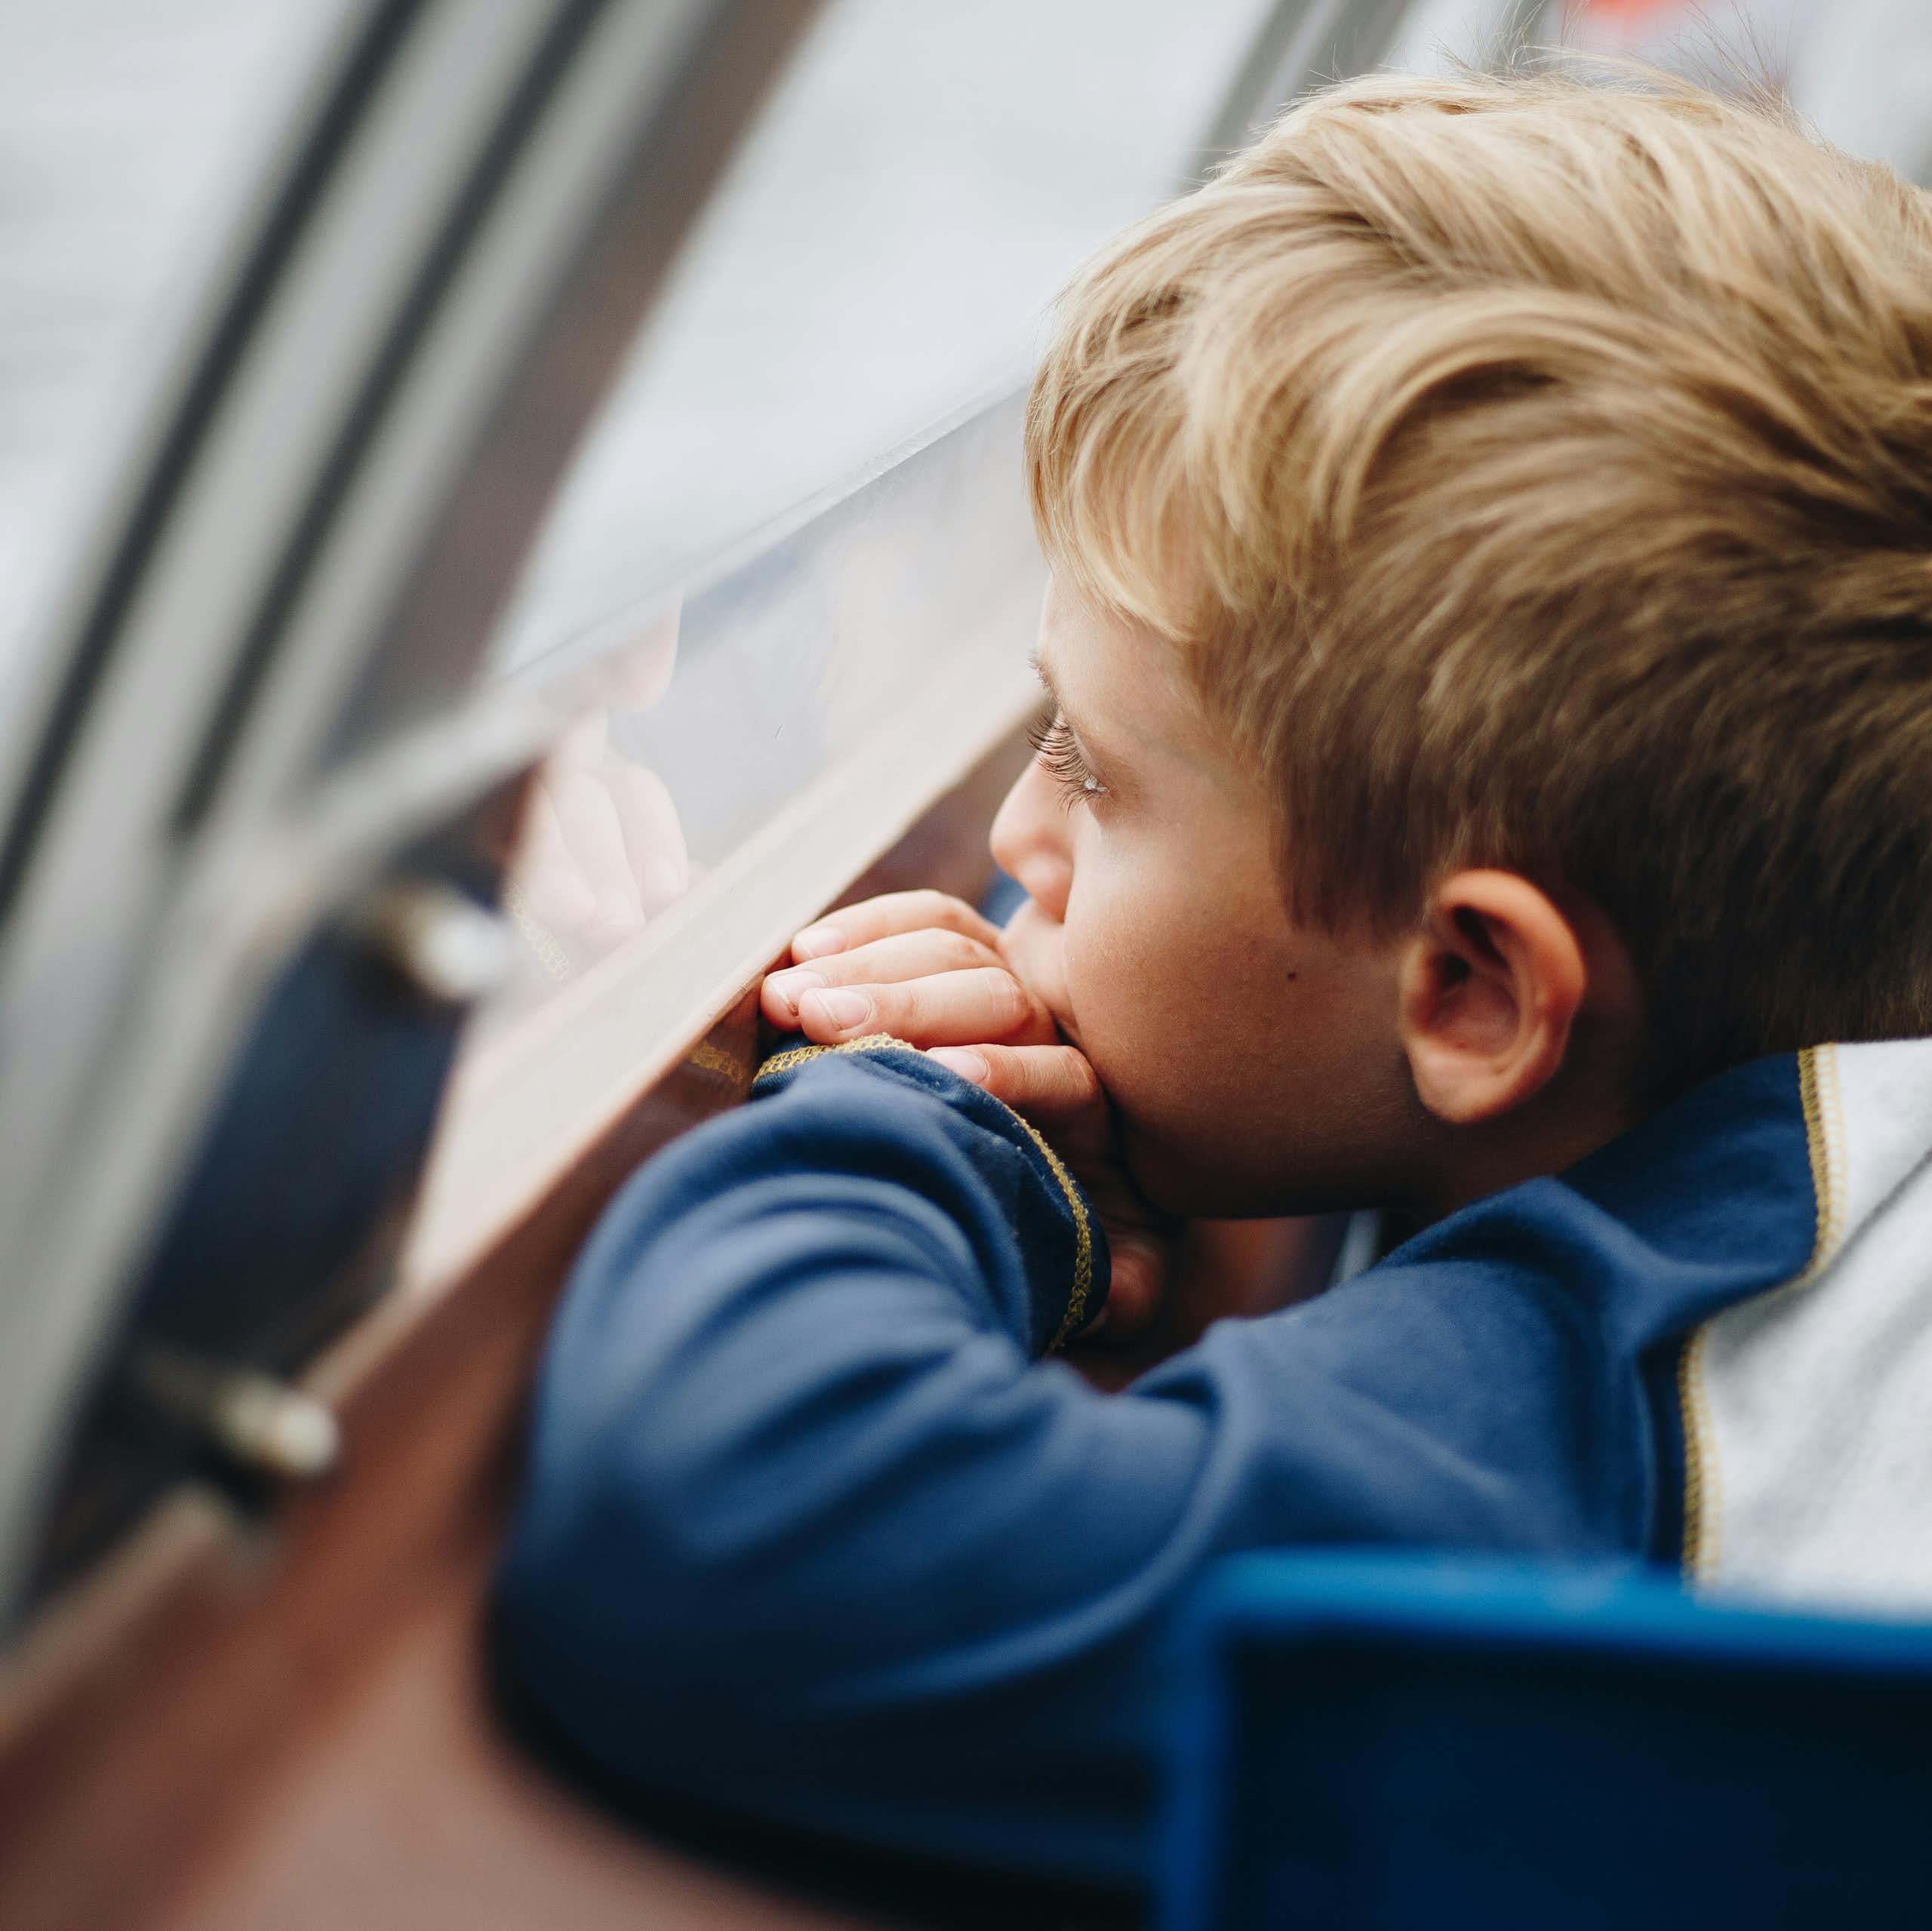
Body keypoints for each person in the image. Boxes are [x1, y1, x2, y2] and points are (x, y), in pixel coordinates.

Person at [494, 62, 1932, 1887]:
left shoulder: (1622, 1410)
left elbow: (720, 1524)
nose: (1015, 831)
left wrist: (951, 1125)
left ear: (1474, 994)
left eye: (1089, 770)